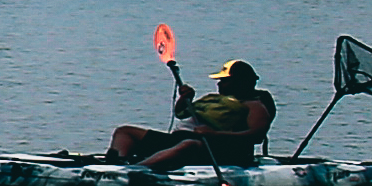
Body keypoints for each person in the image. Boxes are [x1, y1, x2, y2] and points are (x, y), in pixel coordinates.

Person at [107, 59, 276, 168]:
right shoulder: (214, 101)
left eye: (224, 81)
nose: (219, 84)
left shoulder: (255, 106)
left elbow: (256, 136)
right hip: (180, 139)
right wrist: (186, 97)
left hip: (215, 149)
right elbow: (181, 113)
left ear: (239, 82)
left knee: (188, 145)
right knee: (125, 132)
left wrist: (215, 135)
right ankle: (120, 163)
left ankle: (136, 170)